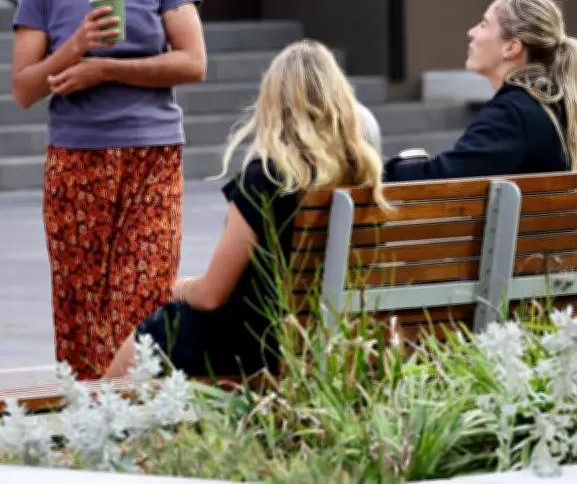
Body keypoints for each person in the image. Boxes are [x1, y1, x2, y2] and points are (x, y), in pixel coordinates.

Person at [10, 0, 206, 380]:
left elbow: (193, 62)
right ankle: (90, 430)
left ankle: (138, 422)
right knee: (81, 308)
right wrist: (74, 48)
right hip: (76, 164)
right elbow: (24, 89)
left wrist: (109, 70)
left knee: (142, 299)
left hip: (152, 155)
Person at [104, 39, 390, 380]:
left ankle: (100, 422)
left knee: (144, 332)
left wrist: (174, 286)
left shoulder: (266, 179)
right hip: (313, 334)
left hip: (247, 341)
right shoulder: (362, 177)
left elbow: (211, 295)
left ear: (273, 104)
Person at [384, 0, 577, 182]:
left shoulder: (513, 114)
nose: (471, 32)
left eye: (484, 25)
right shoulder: (554, 105)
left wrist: (377, 172)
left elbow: (444, 177)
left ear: (511, 47)